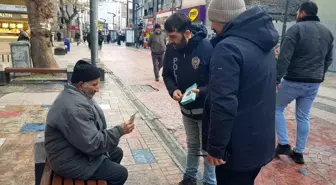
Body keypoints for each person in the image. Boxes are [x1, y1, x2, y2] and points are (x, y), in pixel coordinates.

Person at [203, 0, 279, 184]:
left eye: (214, 20)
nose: (212, 26)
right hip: (258, 142)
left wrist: (216, 148)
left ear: (225, 18)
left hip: (236, 149)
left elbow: (223, 104)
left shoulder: (228, 48)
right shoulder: (262, 41)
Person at [45, 60, 134, 185]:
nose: (97, 89)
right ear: (81, 85)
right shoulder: (74, 108)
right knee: (120, 174)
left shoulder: (76, 94)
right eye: (94, 84)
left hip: (75, 150)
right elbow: (92, 143)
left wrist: (116, 132)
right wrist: (119, 130)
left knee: (116, 152)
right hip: (67, 160)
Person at [275, 2, 334, 164]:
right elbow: (328, 58)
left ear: (302, 13)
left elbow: (284, 57)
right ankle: (299, 152)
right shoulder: (327, 32)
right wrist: (319, 75)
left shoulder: (295, 30)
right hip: (313, 82)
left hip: (294, 79)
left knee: (276, 108)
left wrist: (276, 78)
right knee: (303, 116)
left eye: (297, 12)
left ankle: (284, 144)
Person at [162, 13, 215, 185]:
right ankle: (190, 177)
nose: (170, 41)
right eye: (168, 36)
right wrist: (173, 89)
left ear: (186, 33)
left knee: (208, 149)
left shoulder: (206, 47)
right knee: (192, 145)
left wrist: (200, 91)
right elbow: (167, 74)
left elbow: (217, 81)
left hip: (205, 110)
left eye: (173, 37)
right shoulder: (171, 49)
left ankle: (209, 181)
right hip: (185, 109)